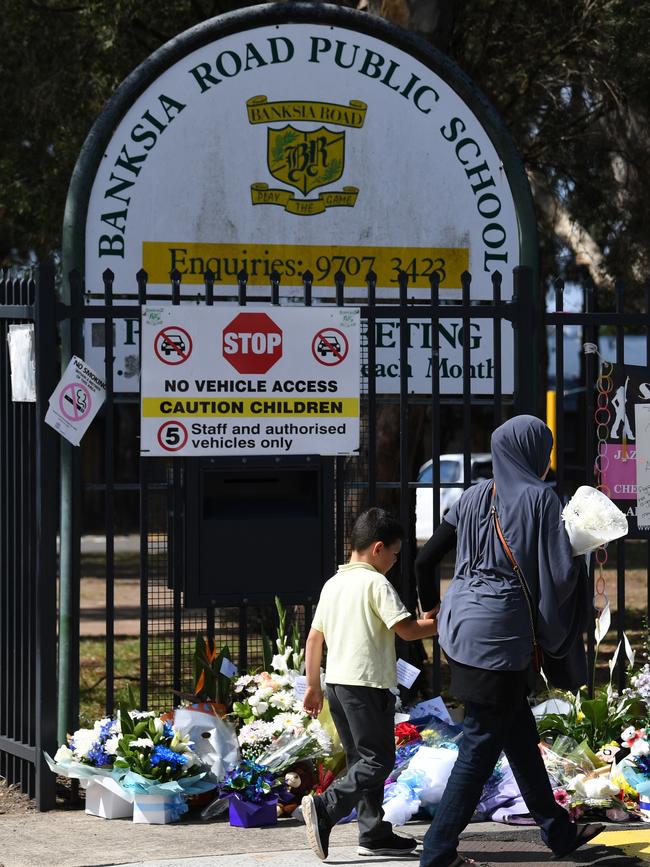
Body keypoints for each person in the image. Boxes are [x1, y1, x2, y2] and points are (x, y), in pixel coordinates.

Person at [414, 415, 603, 867]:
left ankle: (557, 831)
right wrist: (584, 559)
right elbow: (559, 574)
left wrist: (430, 608)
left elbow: (425, 560)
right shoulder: (541, 499)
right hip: (501, 636)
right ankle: (438, 851)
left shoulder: (475, 495)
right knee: (479, 745)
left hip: (462, 629)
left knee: (517, 731)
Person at [301, 507, 438, 860]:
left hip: (337, 685)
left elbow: (314, 639)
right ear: (378, 548)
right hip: (367, 685)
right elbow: (406, 629)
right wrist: (448, 622)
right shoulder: (377, 583)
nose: (394, 560)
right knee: (377, 761)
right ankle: (325, 808)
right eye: (394, 553)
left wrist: (314, 686)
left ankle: (373, 832)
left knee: (362, 760)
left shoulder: (334, 583)